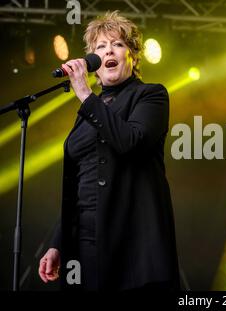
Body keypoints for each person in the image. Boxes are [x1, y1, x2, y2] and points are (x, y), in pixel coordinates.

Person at [38, 11, 179, 291]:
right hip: (86, 240)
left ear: (133, 56)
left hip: (130, 239)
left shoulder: (150, 95)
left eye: (117, 44)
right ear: (94, 63)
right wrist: (58, 242)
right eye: (100, 47)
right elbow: (81, 183)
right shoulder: (89, 112)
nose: (108, 51)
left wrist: (85, 95)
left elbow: (130, 141)